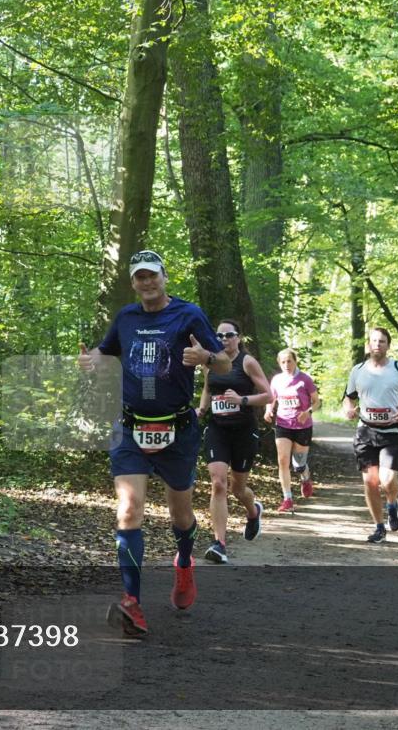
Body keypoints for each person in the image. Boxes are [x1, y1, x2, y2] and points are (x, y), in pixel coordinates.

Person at [78, 250, 229, 636]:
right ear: (133, 283)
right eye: (139, 278)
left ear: (164, 276)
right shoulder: (126, 317)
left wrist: (205, 358)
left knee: (180, 515)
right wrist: (92, 359)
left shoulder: (188, 314)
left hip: (177, 429)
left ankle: (183, 561)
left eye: (152, 276)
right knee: (128, 511)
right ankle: (132, 602)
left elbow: (225, 362)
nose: (147, 283)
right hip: (130, 427)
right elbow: (106, 348)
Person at [195, 319, 271, 563]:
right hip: (218, 429)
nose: (224, 339)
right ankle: (219, 544)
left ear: (239, 337)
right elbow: (208, 388)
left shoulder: (246, 362)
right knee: (218, 483)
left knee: (238, 488)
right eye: (219, 336)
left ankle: (253, 511)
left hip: (243, 430)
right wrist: (202, 408)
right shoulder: (212, 362)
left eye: (229, 335)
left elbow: (268, 395)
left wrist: (242, 400)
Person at [342, 327, 398, 543]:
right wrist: (348, 409)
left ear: (388, 345)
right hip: (365, 431)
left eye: (382, 341)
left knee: (387, 480)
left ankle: (393, 503)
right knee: (370, 482)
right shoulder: (358, 370)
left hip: (391, 432)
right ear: (368, 344)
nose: (377, 344)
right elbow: (349, 397)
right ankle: (379, 527)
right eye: (374, 341)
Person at [264, 348, 321, 513]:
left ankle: (305, 477)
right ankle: (287, 498)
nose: (286, 365)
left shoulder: (305, 380)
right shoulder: (276, 380)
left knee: (299, 464)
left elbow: (317, 401)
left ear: (295, 361)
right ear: (279, 364)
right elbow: (271, 398)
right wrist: (268, 410)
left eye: (289, 361)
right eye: (283, 362)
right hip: (283, 424)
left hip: (302, 426)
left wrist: (308, 412)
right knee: (282, 461)